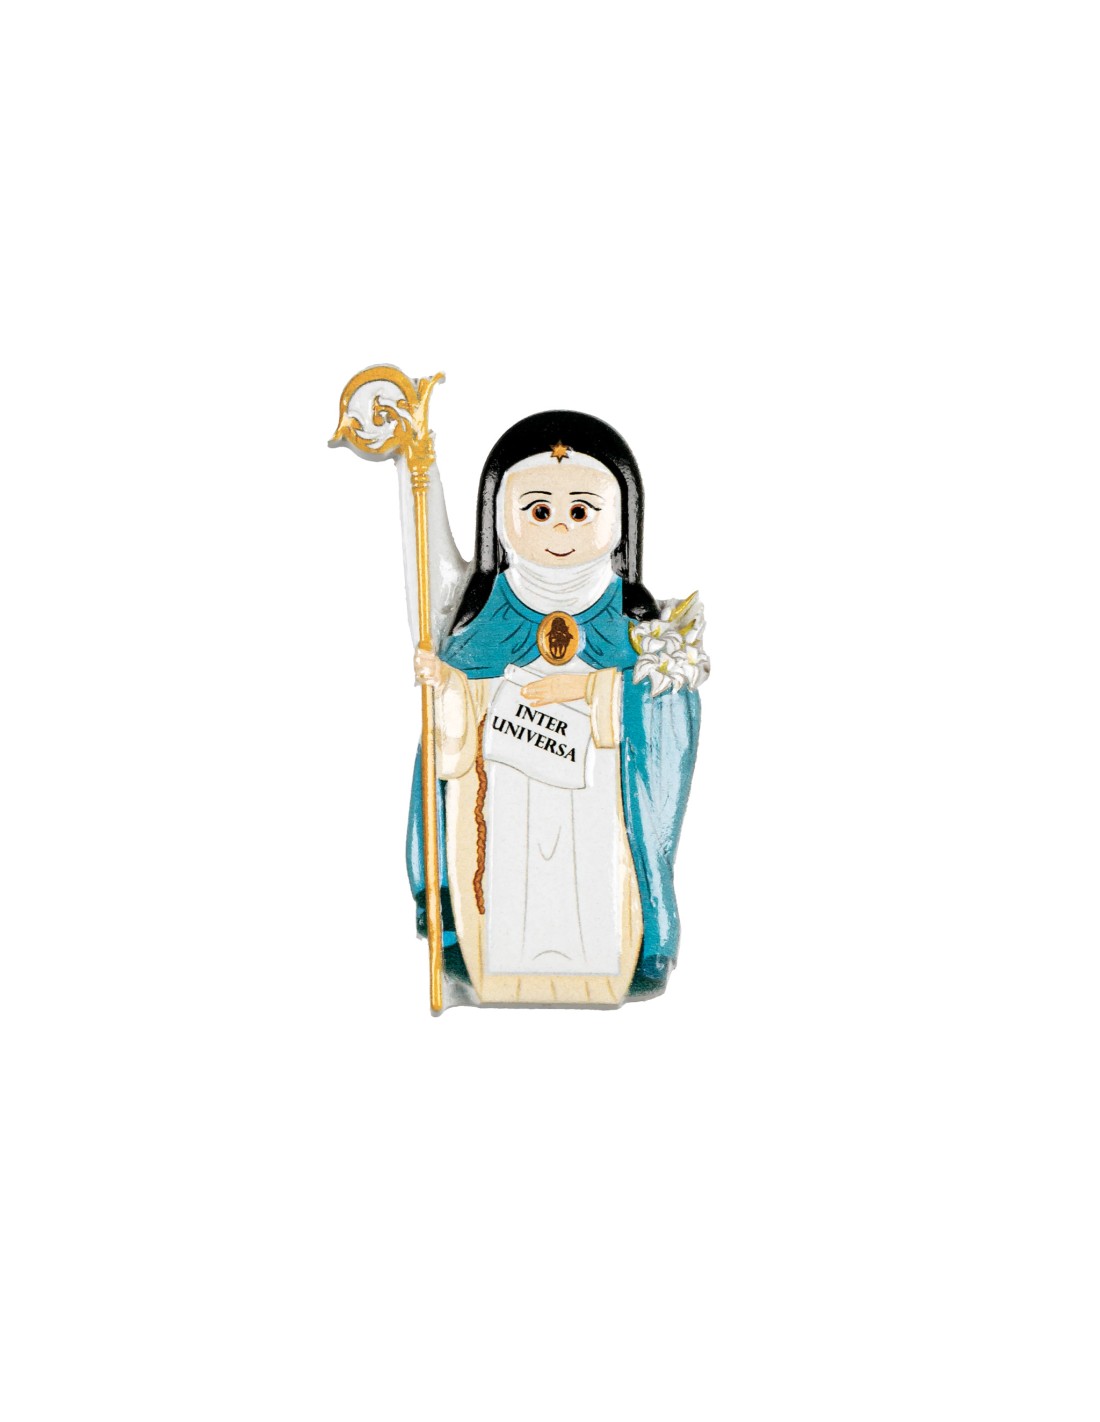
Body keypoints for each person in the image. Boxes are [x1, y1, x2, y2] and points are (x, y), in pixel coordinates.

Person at [406, 411, 707, 1007]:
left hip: (600, 812)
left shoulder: (633, 624)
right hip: (505, 808)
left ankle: (604, 967)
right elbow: (455, 735)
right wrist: (448, 687)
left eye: (581, 511)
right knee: (511, 892)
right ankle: (496, 967)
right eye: (539, 511)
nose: (561, 527)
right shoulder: (484, 623)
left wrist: (594, 692)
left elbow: (668, 714)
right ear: (500, 517)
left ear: (621, 519)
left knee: (592, 891)